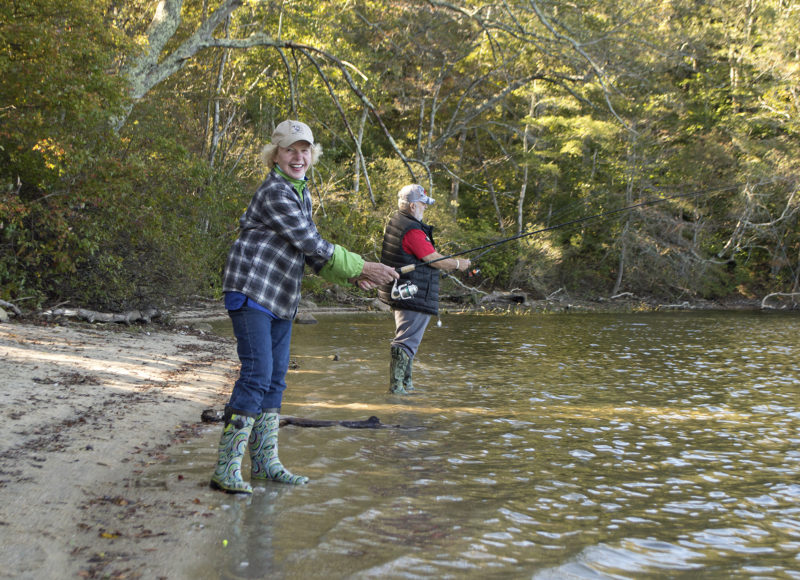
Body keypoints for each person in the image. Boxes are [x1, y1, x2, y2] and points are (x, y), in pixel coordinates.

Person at [210, 120, 398, 494]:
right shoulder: (276, 191)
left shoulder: (302, 193)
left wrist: (352, 277)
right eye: (289, 150)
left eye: (305, 150)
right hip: (250, 290)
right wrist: (362, 265)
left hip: (280, 298)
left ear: (312, 155)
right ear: (275, 155)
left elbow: (307, 251)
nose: (298, 157)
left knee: (276, 380)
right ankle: (225, 469)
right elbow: (310, 240)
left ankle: (265, 464)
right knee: (257, 375)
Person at [377, 184, 471, 395]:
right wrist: (457, 264)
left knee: (408, 340)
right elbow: (432, 259)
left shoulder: (398, 222)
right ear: (412, 206)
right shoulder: (412, 230)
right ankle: (397, 391)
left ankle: (406, 387)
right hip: (411, 292)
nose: (424, 208)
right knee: (406, 341)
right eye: (422, 204)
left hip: (404, 290)